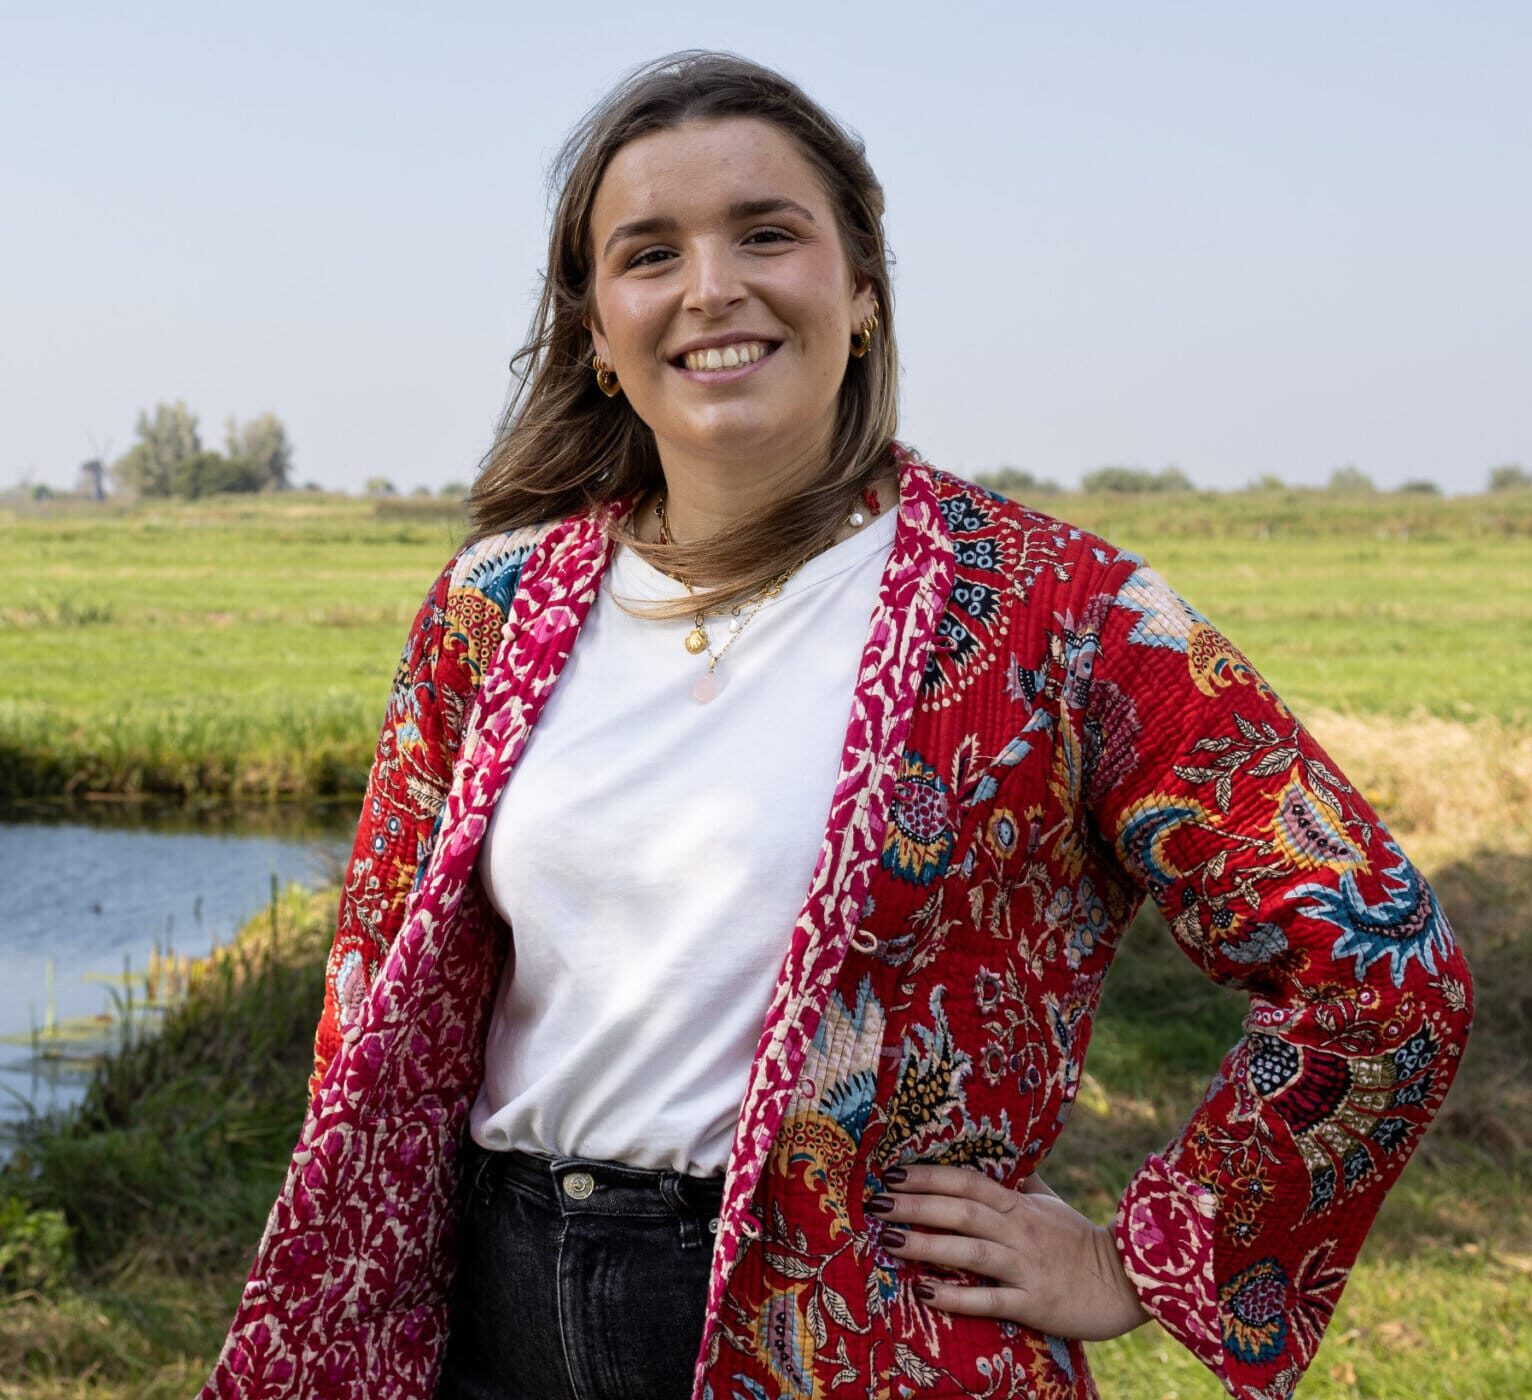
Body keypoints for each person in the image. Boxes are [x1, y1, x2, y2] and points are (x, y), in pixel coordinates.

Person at [202, 52, 1472, 1400]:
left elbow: (1383, 964)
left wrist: (1139, 1260)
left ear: (862, 290)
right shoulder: (493, 608)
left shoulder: (1058, 613)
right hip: (493, 1319)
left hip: (863, 1337)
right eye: (650, 253)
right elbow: (375, 1000)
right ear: (596, 331)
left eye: (767, 233)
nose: (710, 287)